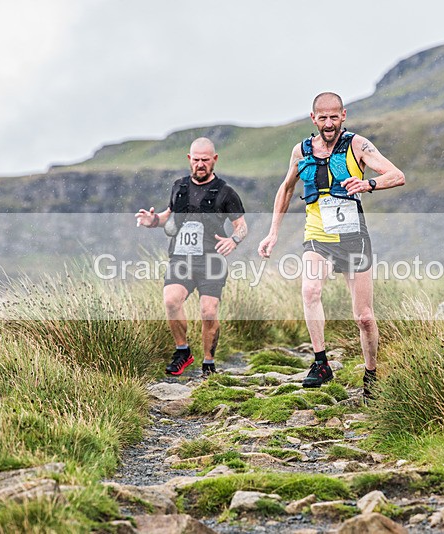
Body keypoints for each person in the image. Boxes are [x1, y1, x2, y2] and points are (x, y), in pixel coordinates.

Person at [257, 92, 405, 400]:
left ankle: (371, 373)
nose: (328, 123)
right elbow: (285, 191)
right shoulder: (301, 151)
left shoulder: (357, 145)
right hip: (318, 236)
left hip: (353, 237)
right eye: (322, 117)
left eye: (334, 117)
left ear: (344, 115)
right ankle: (321, 362)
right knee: (310, 291)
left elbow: (397, 175)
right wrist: (272, 233)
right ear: (313, 118)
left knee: (363, 316)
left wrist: (369, 184)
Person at [135, 137, 247, 377]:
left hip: (211, 261)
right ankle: (183, 351)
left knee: (208, 311)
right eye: (196, 160)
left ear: (214, 160)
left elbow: (242, 226)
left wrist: (233, 240)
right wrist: (153, 221)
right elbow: (169, 216)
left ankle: (208, 363)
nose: (200, 164)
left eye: (205, 160)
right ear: (189, 159)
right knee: (170, 301)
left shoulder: (226, 192)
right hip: (181, 258)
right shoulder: (179, 186)